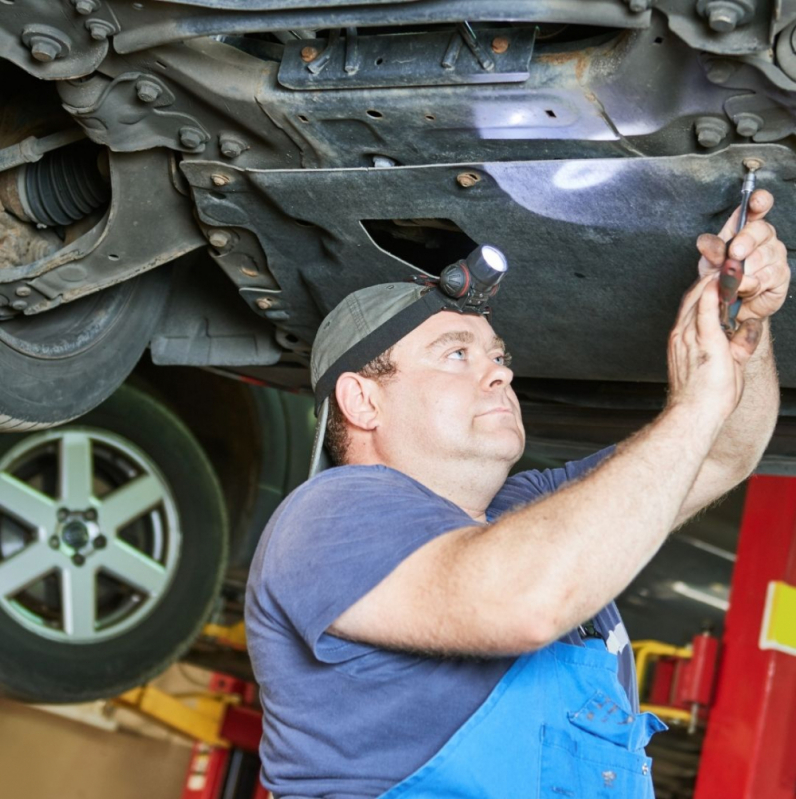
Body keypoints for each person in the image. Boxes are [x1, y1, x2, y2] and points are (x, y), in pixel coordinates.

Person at [245, 189, 790, 799]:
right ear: (363, 401)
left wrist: (745, 322)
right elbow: (527, 601)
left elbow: (722, 451)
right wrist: (693, 406)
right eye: (456, 353)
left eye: (498, 355)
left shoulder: (528, 510)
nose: (501, 371)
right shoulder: (329, 519)